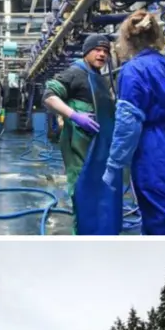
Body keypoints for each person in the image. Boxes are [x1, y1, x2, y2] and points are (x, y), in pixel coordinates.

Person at [103, 10, 165, 235]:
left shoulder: (133, 71)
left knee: (160, 217)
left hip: (151, 149)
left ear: (127, 40)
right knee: (164, 209)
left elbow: (128, 125)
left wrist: (114, 165)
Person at [42, 33, 123, 235]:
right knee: (82, 194)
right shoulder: (75, 73)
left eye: (105, 51)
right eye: (97, 50)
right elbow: (49, 97)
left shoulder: (99, 76)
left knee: (99, 196)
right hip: (80, 148)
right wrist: (75, 116)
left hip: (100, 147)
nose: (102, 54)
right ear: (86, 52)